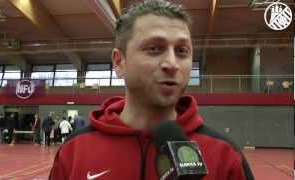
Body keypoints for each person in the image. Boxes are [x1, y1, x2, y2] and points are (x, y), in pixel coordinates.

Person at [49, 0, 254, 179]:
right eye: (154, 49)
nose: (172, 64)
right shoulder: (75, 151)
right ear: (119, 62)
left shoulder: (224, 156)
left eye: (182, 51)